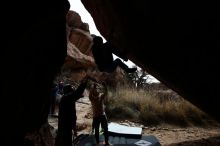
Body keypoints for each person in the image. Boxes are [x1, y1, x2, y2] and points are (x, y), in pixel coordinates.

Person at [55, 77, 88, 146]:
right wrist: (84, 82)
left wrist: (74, 128)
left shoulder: (65, 99)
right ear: (69, 91)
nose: (73, 90)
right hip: (65, 128)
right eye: (72, 89)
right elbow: (78, 93)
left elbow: (71, 114)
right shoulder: (67, 98)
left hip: (64, 127)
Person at [89, 82, 112, 146]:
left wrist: (105, 86)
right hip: (96, 116)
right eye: (95, 89)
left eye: (97, 88)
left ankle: (107, 142)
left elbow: (106, 93)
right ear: (93, 90)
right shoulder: (91, 98)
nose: (97, 89)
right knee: (97, 130)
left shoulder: (101, 95)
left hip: (103, 115)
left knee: (106, 129)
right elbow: (90, 92)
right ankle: (97, 142)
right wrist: (93, 86)